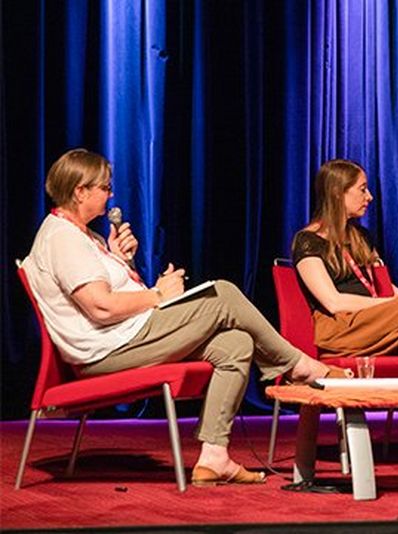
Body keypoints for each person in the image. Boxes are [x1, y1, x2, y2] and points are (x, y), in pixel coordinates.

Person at [22, 148, 344, 487]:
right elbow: (100, 308)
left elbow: (117, 299)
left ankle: (214, 457)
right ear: (79, 191)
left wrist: (123, 262)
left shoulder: (90, 238)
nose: (110, 194)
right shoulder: (63, 237)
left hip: (126, 337)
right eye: (104, 187)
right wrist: (160, 295)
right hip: (107, 350)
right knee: (223, 295)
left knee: (235, 343)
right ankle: (299, 366)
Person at [291, 159, 398, 381]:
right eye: (362, 189)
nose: (370, 197)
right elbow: (333, 303)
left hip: (375, 323)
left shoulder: (360, 237)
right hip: (341, 328)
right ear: (337, 193)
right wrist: (394, 305)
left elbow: (383, 285)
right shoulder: (308, 241)